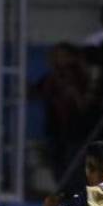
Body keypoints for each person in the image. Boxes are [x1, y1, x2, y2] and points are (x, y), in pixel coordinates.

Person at [34, 43, 92, 183]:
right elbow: (37, 92)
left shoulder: (79, 77)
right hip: (55, 129)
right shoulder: (51, 78)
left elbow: (84, 102)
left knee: (73, 165)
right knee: (58, 164)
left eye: (62, 56)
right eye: (55, 56)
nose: (57, 59)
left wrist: (74, 94)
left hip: (75, 130)